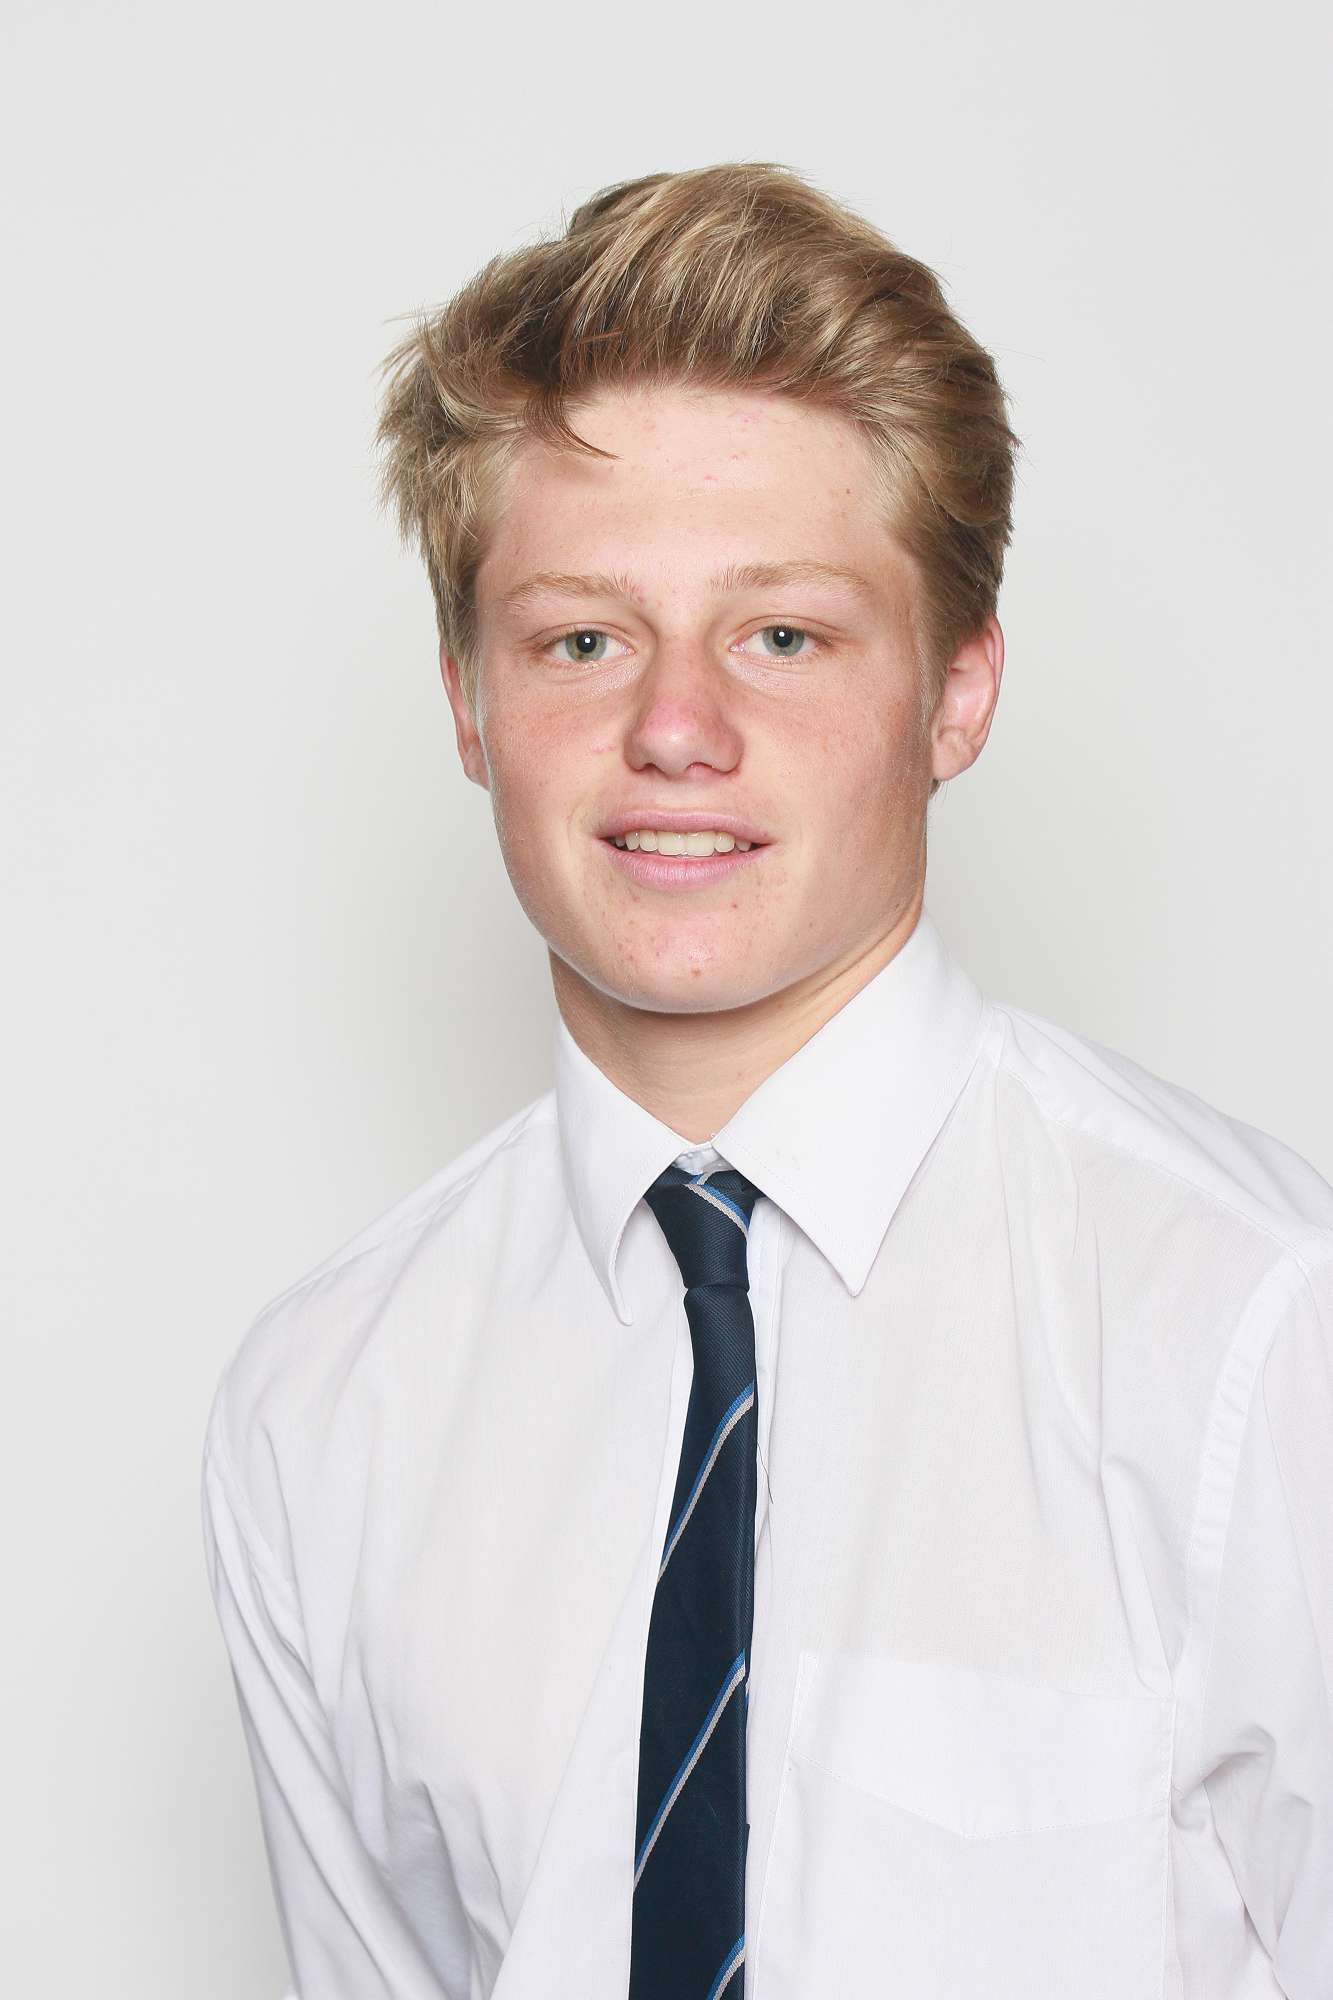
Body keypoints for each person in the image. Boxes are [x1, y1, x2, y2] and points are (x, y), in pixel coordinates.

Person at [200, 162, 1333, 1999]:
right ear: (471, 702)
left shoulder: (1255, 1332)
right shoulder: (328, 1407)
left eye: (782, 635)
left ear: (956, 693)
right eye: (581, 639)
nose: (673, 728)